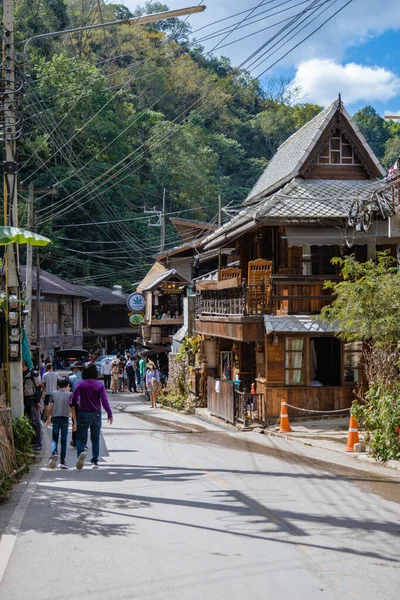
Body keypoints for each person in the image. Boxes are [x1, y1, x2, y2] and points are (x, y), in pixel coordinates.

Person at [70, 362, 113, 470]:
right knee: (95, 438)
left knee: (80, 437)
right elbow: (104, 400)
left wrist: (71, 403)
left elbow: (74, 399)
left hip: (83, 412)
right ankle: (94, 462)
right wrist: (109, 413)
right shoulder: (100, 385)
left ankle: (80, 453)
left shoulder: (80, 384)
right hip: (96, 413)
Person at [46, 377, 76, 469]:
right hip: (65, 418)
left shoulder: (54, 394)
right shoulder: (70, 394)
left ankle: (54, 453)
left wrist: (48, 418)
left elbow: (50, 407)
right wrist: (75, 421)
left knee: (55, 438)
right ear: (67, 386)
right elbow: (72, 408)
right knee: (64, 440)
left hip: (55, 418)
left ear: (58, 386)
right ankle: (62, 461)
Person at [22, 362, 43, 451]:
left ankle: (37, 442)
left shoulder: (33, 373)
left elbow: (39, 387)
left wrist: (38, 401)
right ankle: (31, 441)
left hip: (33, 400)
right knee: (29, 420)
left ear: (24, 365)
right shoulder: (22, 374)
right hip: (26, 400)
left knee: (35, 421)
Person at [69, 361, 84, 449]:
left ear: (75, 369)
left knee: (75, 421)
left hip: (75, 401)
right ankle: (83, 442)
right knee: (83, 422)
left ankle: (74, 441)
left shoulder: (71, 378)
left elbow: (69, 389)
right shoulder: (85, 378)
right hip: (84, 401)